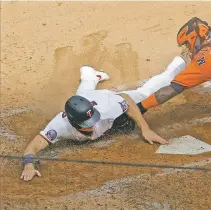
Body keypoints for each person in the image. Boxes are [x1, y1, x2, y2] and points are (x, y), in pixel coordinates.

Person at [20, 65, 180, 181]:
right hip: (91, 98)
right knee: (84, 94)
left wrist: (145, 128)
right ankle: (89, 75)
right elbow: (33, 146)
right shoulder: (60, 125)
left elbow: (126, 99)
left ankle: (176, 65)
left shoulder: (106, 109)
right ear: (73, 122)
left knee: (145, 93)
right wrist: (28, 165)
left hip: (106, 98)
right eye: (87, 123)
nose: (92, 124)